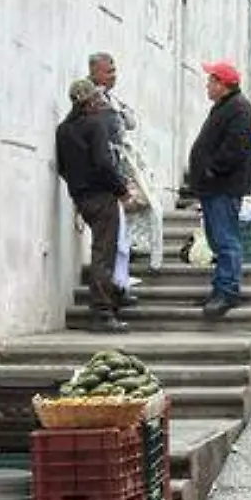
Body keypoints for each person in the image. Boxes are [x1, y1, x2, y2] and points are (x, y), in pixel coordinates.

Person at [56, 79, 133, 333]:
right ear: (89, 102)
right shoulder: (95, 125)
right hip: (101, 196)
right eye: (96, 99)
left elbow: (63, 168)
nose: (100, 103)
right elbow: (103, 163)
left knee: (102, 249)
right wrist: (121, 189)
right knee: (104, 252)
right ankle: (102, 311)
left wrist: (79, 190)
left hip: (81, 197)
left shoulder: (63, 129)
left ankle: (109, 299)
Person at [186, 60, 251, 319]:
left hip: (223, 186)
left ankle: (227, 290)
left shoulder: (238, 109)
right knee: (217, 238)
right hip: (213, 186)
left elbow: (234, 148)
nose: (207, 85)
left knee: (226, 240)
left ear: (222, 85)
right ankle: (220, 287)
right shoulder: (226, 107)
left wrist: (212, 169)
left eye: (211, 81)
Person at [89, 53, 163, 281]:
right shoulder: (91, 100)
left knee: (123, 231)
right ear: (94, 72)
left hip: (116, 171)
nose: (114, 76)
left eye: (114, 71)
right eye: (108, 71)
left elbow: (130, 122)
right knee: (108, 241)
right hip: (104, 176)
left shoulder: (111, 99)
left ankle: (119, 284)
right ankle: (108, 294)